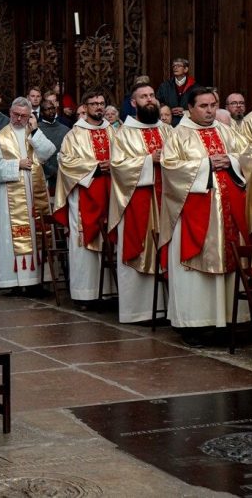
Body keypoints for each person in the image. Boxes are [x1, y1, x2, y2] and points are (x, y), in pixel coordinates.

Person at [160, 88, 248, 345]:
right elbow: (170, 168)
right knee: (195, 273)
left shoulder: (226, 131)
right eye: (203, 106)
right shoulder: (178, 135)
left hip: (229, 212)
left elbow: (248, 156)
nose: (210, 111)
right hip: (194, 214)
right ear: (190, 108)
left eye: (213, 105)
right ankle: (194, 324)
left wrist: (231, 161)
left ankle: (230, 320)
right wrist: (207, 164)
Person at [108, 83, 172, 323]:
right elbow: (118, 167)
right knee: (141, 248)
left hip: (166, 200)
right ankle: (139, 312)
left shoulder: (168, 130)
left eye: (152, 95)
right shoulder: (123, 133)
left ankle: (169, 308)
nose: (150, 100)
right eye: (144, 96)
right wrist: (148, 160)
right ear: (134, 103)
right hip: (137, 201)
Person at [0, 97, 56, 293]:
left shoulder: (33, 133)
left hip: (35, 194)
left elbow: (48, 152)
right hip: (11, 199)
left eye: (24, 116)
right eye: (16, 114)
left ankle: (37, 280)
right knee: (12, 237)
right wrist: (16, 164)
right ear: (10, 112)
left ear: (30, 116)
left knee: (37, 233)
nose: (19, 119)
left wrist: (35, 131)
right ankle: (15, 282)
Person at [53, 90, 115, 306]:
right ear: (85, 107)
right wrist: (96, 167)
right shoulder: (74, 134)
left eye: (102, 103)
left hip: (110, 194)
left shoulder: (114, 131)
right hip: (83, 196)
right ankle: (85, 294)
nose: (99, 107)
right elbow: (66, 162)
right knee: (83, 245)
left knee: (109, 241)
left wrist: (115, 165)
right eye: (94, 103)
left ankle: (108, 292)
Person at [36, 92, 69, 193]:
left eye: (52, 108)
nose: (51, 111)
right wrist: (51, 171)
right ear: (41, 112)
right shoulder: (36, 130)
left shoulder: (65, 129)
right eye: (47, 109)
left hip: (63, 173)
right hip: (43, 177)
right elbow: (35, 154)